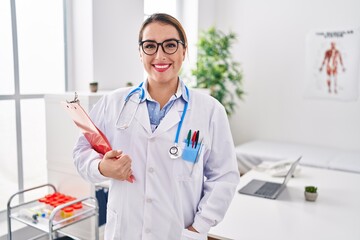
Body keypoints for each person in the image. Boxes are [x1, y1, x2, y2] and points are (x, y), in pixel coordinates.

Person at [73, 13, 240, 240]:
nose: (160, 55)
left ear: (184, 50)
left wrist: (199, 227)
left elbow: (224, 177)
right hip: (125, 231)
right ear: (140, 52)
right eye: (150, 46)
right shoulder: (113, 102)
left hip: (178, 233)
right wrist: (102, 168)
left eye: (170, 45)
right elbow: (81, 151)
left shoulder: (210, 110)